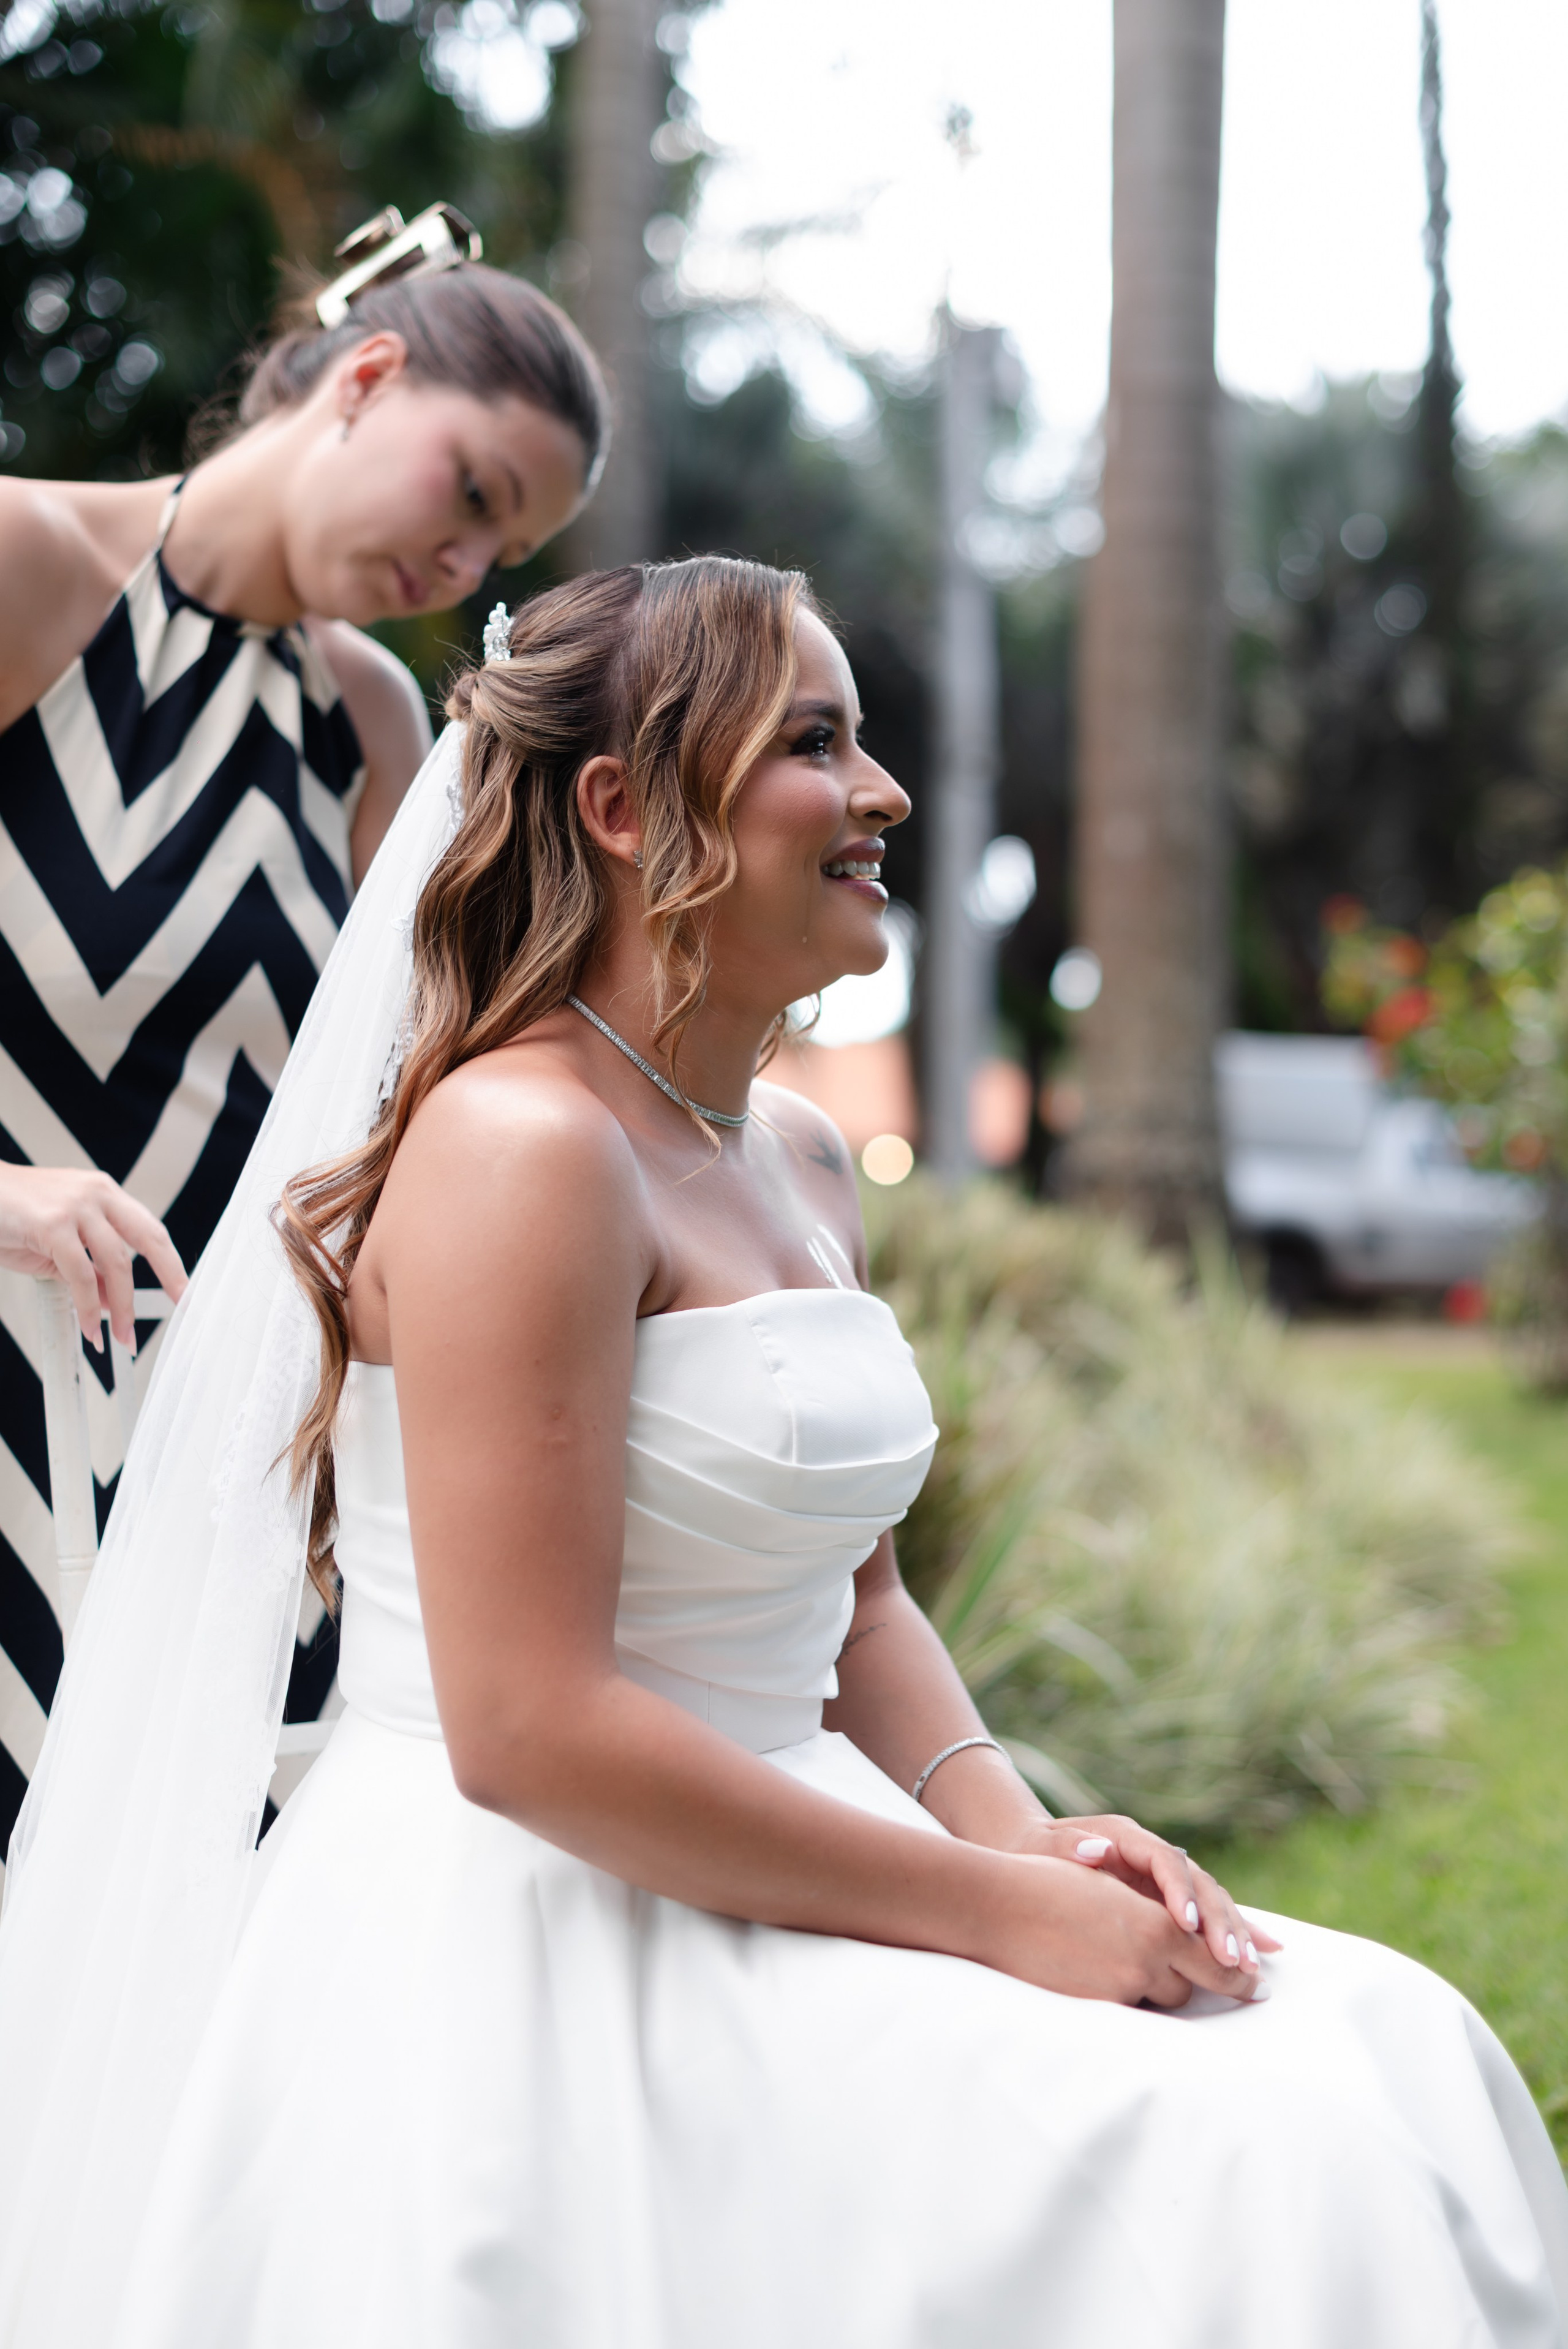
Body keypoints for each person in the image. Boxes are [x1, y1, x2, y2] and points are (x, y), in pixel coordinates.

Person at [1, 559, 1564, 2349]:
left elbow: (865, 1602)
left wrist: (1033, 1843)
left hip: (819, 1839)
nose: (884, 793)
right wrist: (988, 1917)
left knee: (1385, 2044)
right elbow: (528, 1735)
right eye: (817, 743)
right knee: (1256, 2161)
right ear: (618, 804)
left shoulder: (803, 1159)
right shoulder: (526, 1149)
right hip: (557, 1916)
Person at [0, 204, 608, 1858]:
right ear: (370, 373)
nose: (464, 570)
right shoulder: (29, 566)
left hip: (205, 1456)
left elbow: (401, 1106)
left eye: (503, 551)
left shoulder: (370, 720)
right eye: (472, 493)